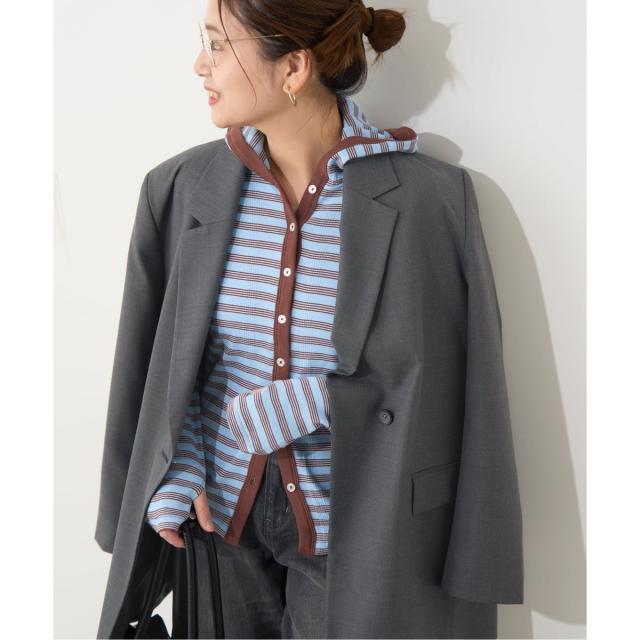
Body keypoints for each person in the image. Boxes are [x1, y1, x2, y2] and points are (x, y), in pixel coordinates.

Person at [95, 0, 524, 638]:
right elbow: (154, 360)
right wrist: (174, 461)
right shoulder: (181, 186)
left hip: (362, 531)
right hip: (219, 525)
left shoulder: (431, 201)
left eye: (218, 45)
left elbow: (461, 389)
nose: (200, 65)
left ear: (294, 67)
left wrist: (319, 401)